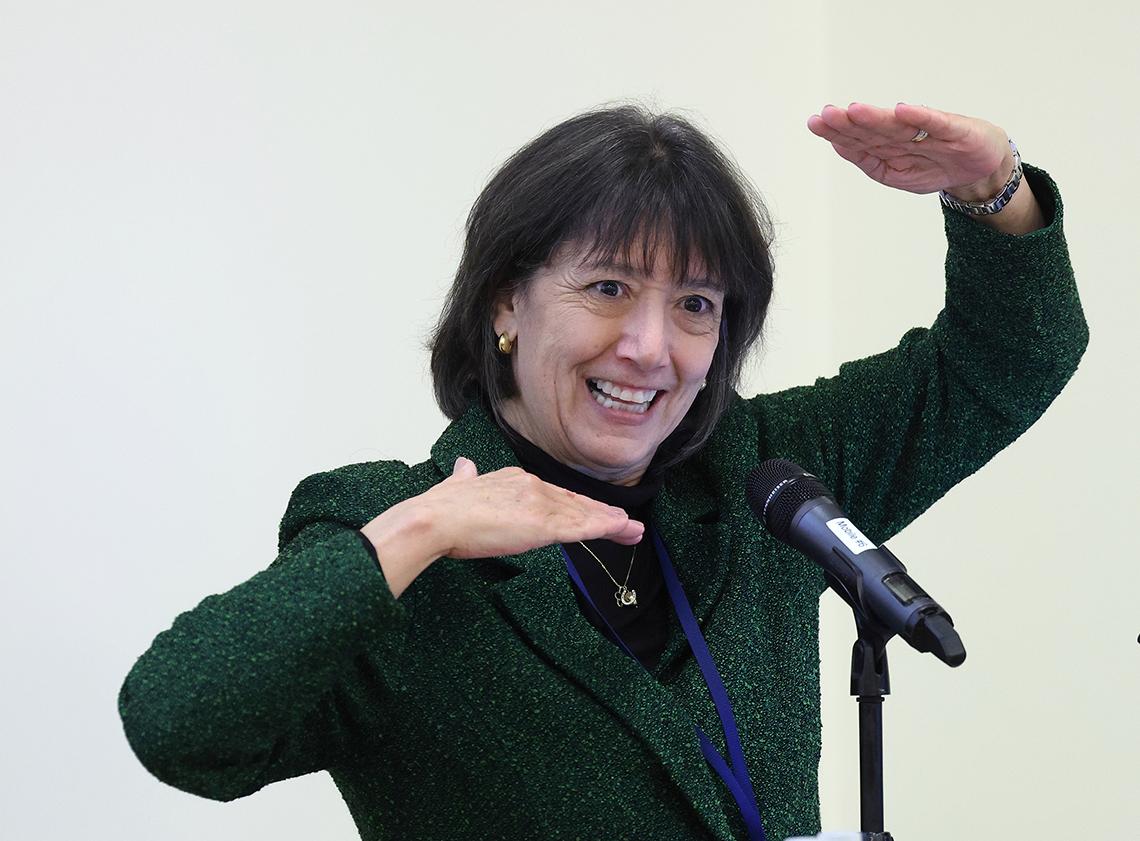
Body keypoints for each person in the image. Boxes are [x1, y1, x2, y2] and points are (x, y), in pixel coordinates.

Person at [118, 101, 1087, 841]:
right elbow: (181, 724)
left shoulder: (768, 479)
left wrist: (992, 186)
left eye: (697, 305)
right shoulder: (394, 527)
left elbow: (1009, 358)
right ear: (506, 303)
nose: (648, 347)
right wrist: (419, 532)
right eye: (609, 288)